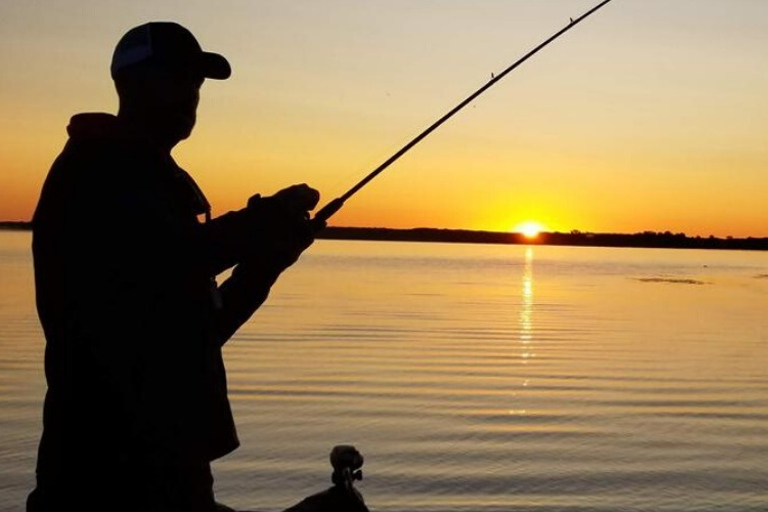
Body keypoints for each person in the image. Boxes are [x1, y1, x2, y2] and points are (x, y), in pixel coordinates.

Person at [28, 21, 326, 511]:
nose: (193, 94)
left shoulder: (151, 182)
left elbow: (197, 329)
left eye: (197, 83)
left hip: (171, 466)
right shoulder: (94, 172)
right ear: (136, 84)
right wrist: (266, 216)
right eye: (181, 78)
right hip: (105, 472)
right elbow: (176, 253)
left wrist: (267, 264)